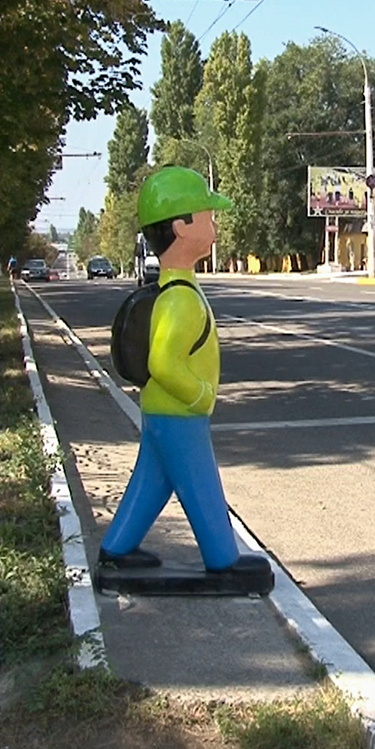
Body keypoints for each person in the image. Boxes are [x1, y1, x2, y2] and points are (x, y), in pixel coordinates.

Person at [98, 166, 273, 592]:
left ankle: (117, 548)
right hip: (179, 412)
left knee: (153, 480)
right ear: (181, 226)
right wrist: (200, 396)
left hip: (162, 410)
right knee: (200, 483)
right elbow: (163, 362)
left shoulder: (177, 291)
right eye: (208, 218)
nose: (215, 228)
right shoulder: (180, 300)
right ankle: (222, 559)